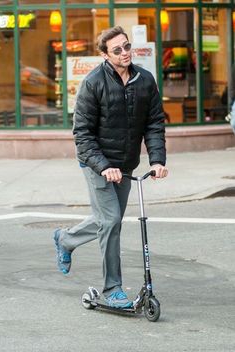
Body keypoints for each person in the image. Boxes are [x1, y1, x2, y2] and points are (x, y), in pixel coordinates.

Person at [54, 26, 168, 309]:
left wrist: (157, 160)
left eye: (127, 46)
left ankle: (65, 239)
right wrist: (104, 166)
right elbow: (82, 134)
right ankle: (113, 288)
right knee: (111, 221)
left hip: (126, 164)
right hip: (97, 163)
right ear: (104, 55)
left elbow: (154, 122)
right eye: (117, 50)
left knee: (109, 218)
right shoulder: (93, 83)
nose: (125, 53)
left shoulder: (145, 80)